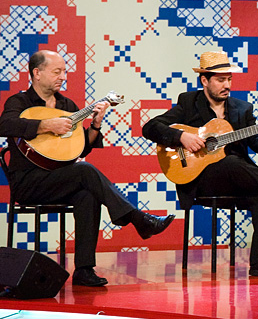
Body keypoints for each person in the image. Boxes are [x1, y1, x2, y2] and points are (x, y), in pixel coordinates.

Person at [0, 50, 175, 287]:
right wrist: (46, 125)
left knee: (88, 194)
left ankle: (84, 270)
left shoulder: (67, 106)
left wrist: (95, 125)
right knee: (85, 171)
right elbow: (5, 125)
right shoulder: (19, 102)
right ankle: (137, 218)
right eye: (57, 72)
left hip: (60, 180)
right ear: (37, 73)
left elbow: (81, 149)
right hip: (29, 182)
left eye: (64, 72)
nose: (63, 77)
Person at [141, 51, 258, 278]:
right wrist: (181, 137)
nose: (226, 85)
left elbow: (257, 143)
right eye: (220, 80)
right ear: (204, 80)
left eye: (229, 79)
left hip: (238, 179)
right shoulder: (188, 103)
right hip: (201, 180)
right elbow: (150, 127)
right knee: (231, 162)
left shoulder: (242, 108)